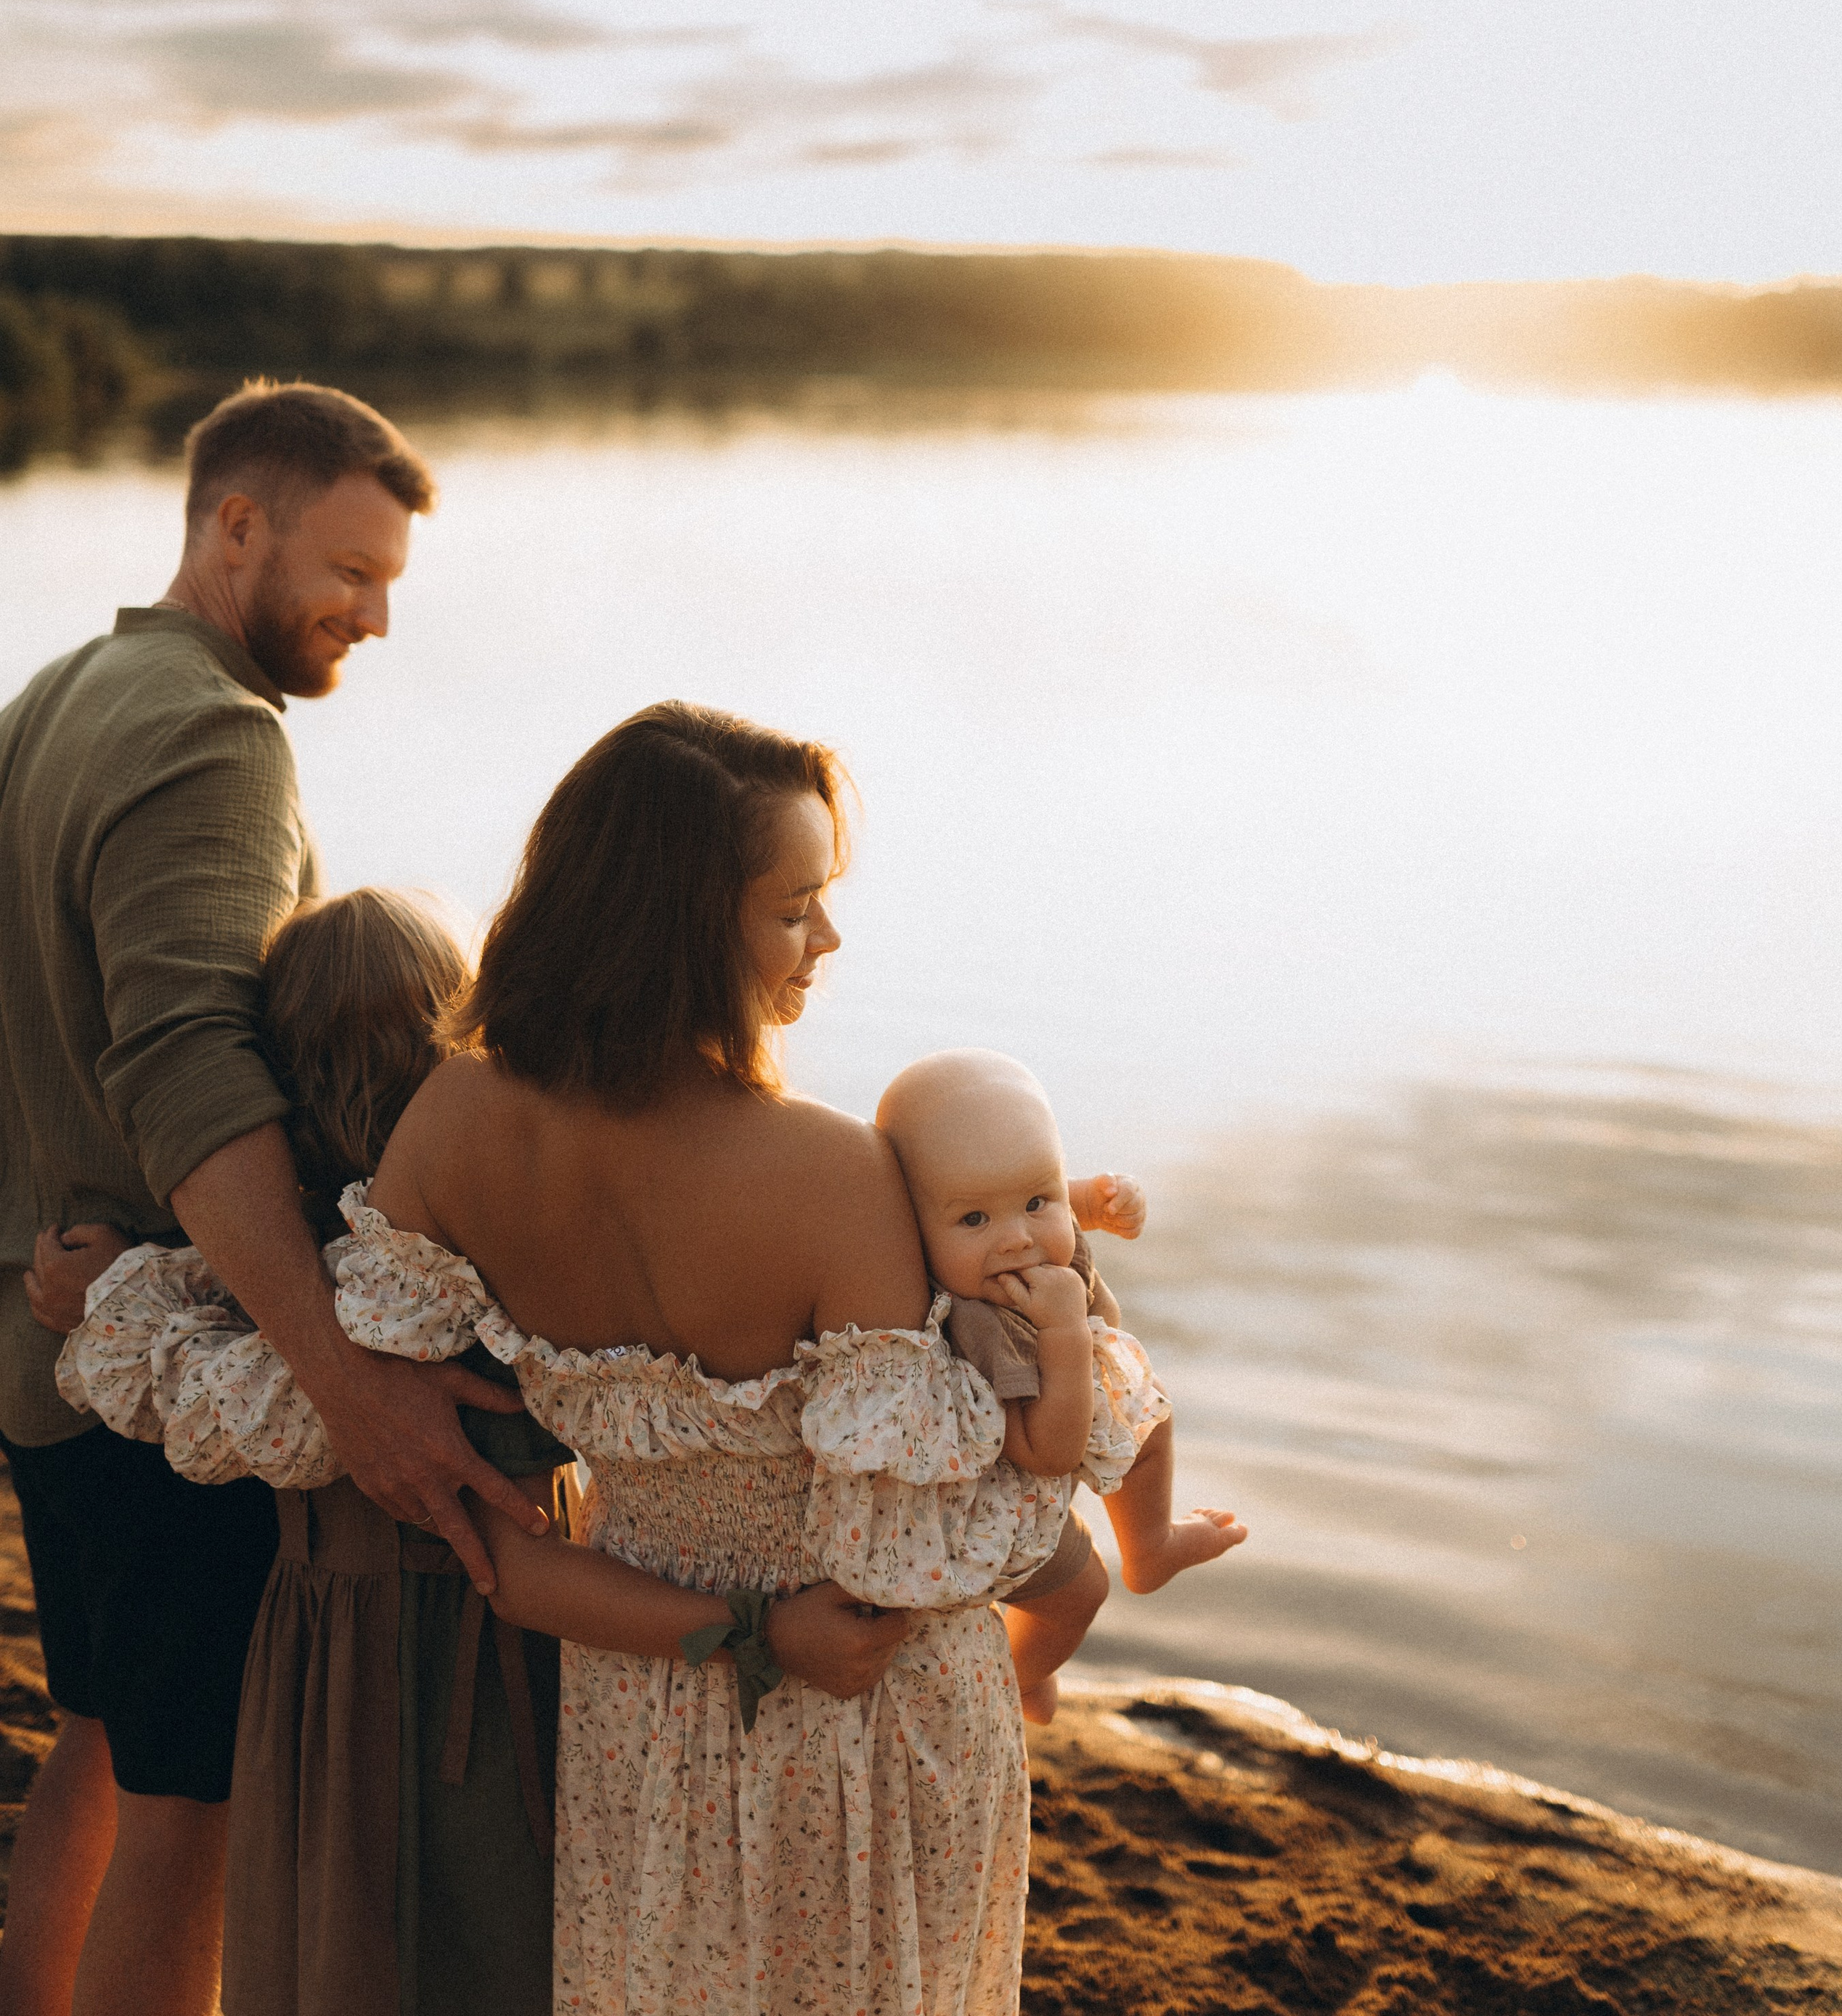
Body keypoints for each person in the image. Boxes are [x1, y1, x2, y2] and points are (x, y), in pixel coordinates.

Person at [359, 701, 1131, 2015]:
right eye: (795, 908)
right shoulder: (832, 1173)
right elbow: (943, 1520)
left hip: (643, 1692)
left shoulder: (449, 1122)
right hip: (863, 1706)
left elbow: (425, 1453)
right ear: (677, 918)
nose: (827, 939)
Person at [46, 889, 910, 2016]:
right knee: (497, 1923)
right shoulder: (497, 1244)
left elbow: (212, 1397)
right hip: (510, 1629)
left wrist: (103, 1291)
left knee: (354, 1917)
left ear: (280, 1083)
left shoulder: (296, 1278)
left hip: (356, 1638)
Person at [0, 382, 547, 2016]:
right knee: (195, 1801)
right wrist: (339, 1376)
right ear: (236, 521)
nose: (374, 619)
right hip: (168, 1387)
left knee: (98, 1747)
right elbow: (193, 1075)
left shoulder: (56, 695)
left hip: (51, 1343)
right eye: (352, 571)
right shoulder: (208, 730)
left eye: (391, 586)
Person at [876, 1050, 1249, 1721]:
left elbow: (1019, 1193)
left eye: (1036, 1201)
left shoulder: (1013, 1234)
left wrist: (1093, 1200)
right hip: (1006, 1505)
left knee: (1152, 1421)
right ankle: (1021, 1672)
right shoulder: (983, 1324)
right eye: (973, 1221)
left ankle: (1151, 1544)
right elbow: (1046, 1451)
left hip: (1084, 1409)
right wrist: (1066, 1333)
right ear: (908, 1229)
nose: (1020, 1239)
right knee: (1078, 1596)